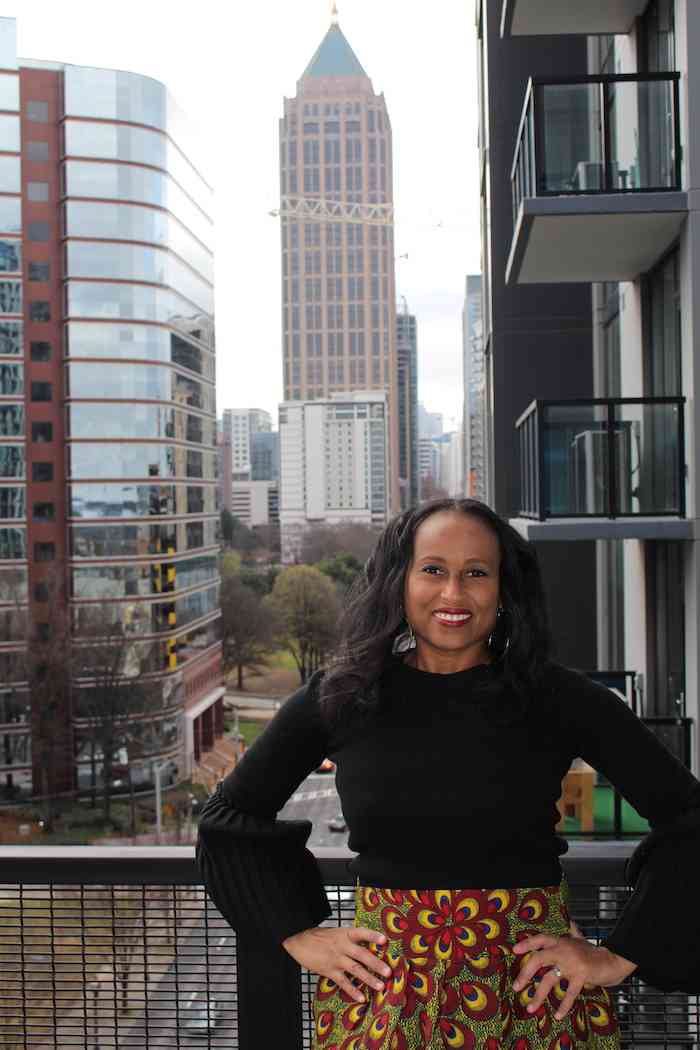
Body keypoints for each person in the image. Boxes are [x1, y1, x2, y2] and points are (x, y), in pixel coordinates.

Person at [197, 498, 700, 1049]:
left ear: (505, 589)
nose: (453, 594)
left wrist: (617, 955)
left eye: (477, 573)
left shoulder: (561, 699)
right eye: (433, 570)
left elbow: (690, 820)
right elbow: (229, 818)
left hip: (531, 1007)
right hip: (384, 1007)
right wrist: (296, 932)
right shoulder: (342, 696)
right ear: (399, 581)